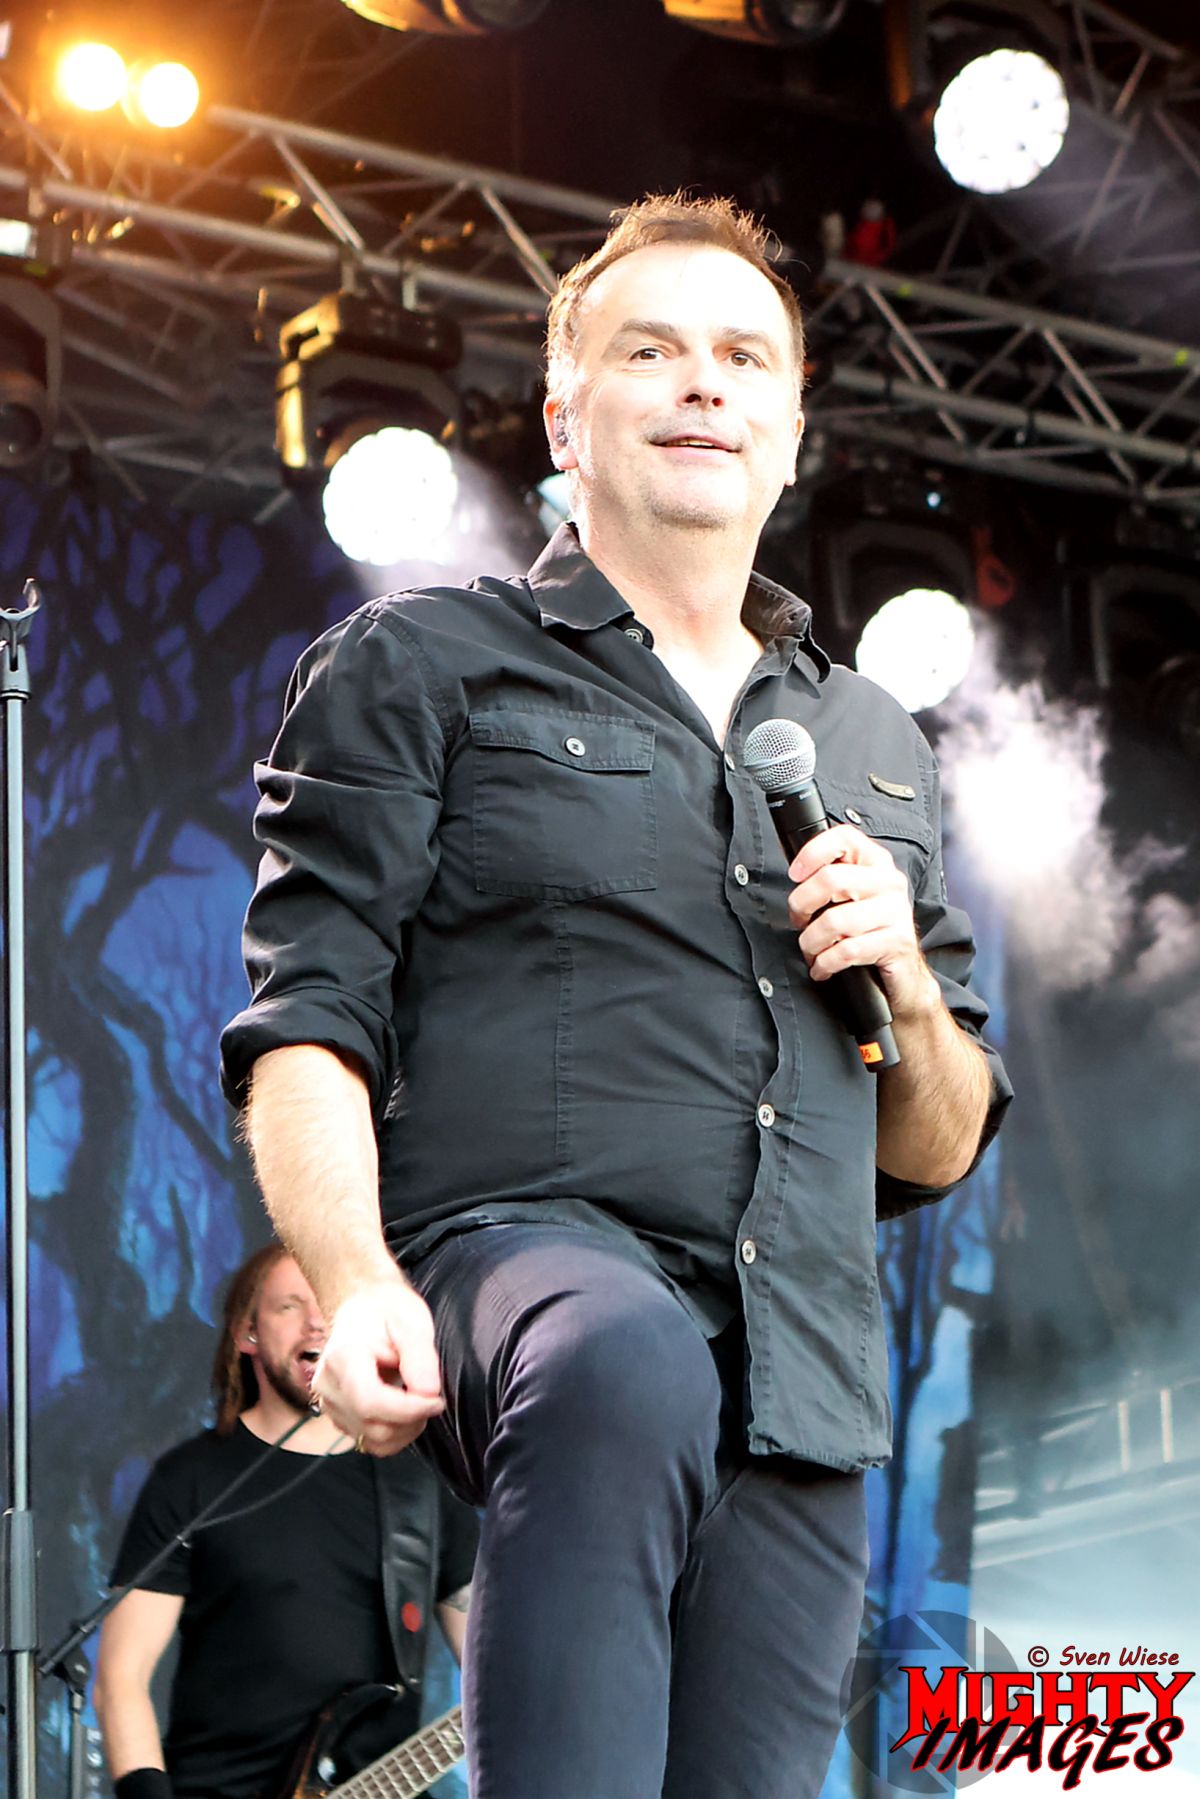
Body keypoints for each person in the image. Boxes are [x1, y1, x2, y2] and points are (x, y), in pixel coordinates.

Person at [219, 192, 1012, 1799]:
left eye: (744, 356)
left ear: (792, 433)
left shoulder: (873, 738)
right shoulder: (426, 661)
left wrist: (910, 993)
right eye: (651, 350)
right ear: (565, 419)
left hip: (798, 1369)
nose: (704, 380)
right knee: (622, 1356)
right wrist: (355, 1282)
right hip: (521, 1264)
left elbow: (931, 1144)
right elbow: (308, 1022)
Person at [94, 1243, 478, 1799]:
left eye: (329, 1303)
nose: (317, 1322)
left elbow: (494, 1664)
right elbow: (121, 1678)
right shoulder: (190, 1480)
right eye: (290, 1306)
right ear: (247, 1333)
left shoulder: (420, 1485)